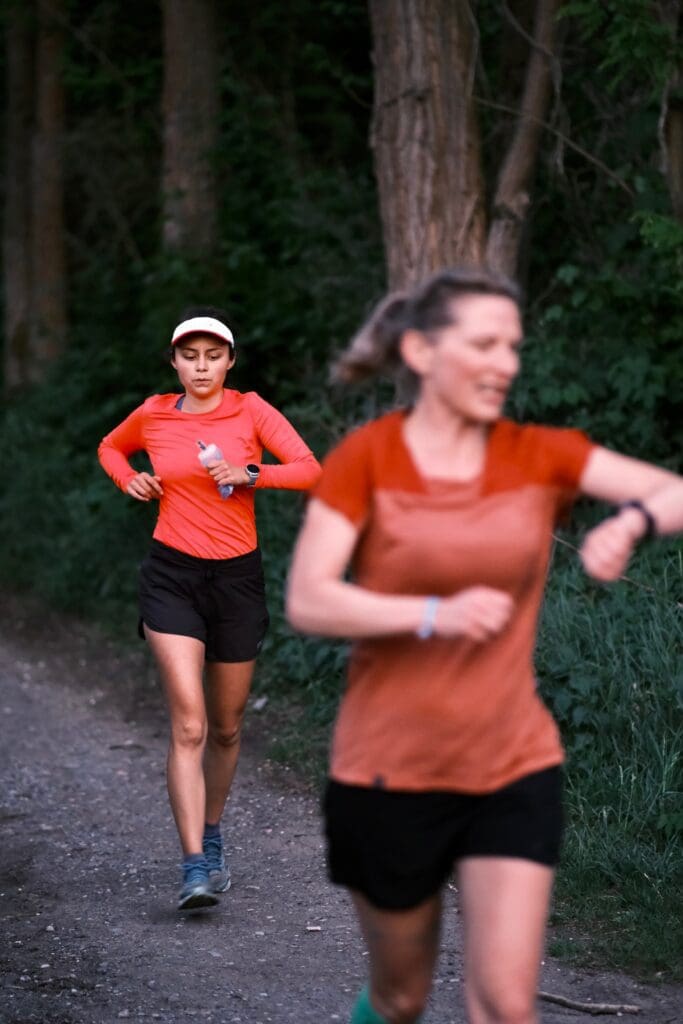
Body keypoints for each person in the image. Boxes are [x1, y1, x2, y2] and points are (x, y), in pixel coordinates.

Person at [285, 267, 683, 1024]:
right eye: (484, 343)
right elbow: (308, 597)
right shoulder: (368, 457)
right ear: (422, 352)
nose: (505, 363)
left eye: (513, 346)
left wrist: (627, 523)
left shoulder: (538, 454)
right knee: (400, 996)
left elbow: (671, 490)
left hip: (511, 764)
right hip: (387, 772)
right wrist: (429, 612)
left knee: (504, 1004)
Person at [98, 306, 321, 911]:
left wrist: (249, 472)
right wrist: (130, 481)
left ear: (229, 361)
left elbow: (309, 470)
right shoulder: (154, 413)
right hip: (171, 575)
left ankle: (214, 835)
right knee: (190, 722)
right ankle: (194, 864)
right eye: (189, 356)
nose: (201, 367)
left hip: (236, 581)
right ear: (175, 361)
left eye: (212, 355)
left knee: (225, 726)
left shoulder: (250, 409)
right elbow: (110, 449)